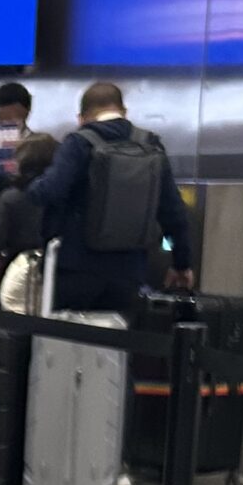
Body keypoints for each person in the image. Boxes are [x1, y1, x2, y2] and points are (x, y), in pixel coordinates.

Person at [26, 80, 195, 316]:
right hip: (129, 272)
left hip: (76, 269)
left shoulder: (78, 142)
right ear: (124, 112)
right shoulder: (150, 145)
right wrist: (181, 263)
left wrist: (31, 182)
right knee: (115, 347)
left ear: (82, 117)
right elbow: (173, 212)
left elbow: (49, 191)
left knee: (67, 346)